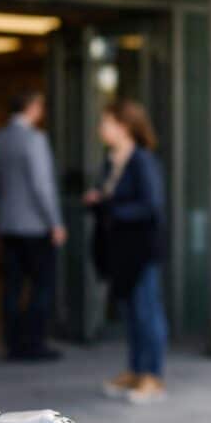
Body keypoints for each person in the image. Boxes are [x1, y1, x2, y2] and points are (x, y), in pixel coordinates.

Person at [85, 101, 169, 404]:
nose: (101, 129)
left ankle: (153, 376)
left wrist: (109, 206)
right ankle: (136, 371)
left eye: (106, 122)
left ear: (124, 126)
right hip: (119, 249)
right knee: (131, 312)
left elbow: (150, 205)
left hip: (141, 248)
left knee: (147, 310)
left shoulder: (141, 160)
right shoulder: (111, 161)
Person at [0, 90, 66, 361]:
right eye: (40, 105)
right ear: (31, 106)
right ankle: (34, 343)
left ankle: (12, 343)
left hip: (7, 224)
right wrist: (55, 222)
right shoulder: (35, 139)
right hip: (35, 225)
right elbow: (42, 185)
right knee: (42, 286)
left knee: (12, 287)